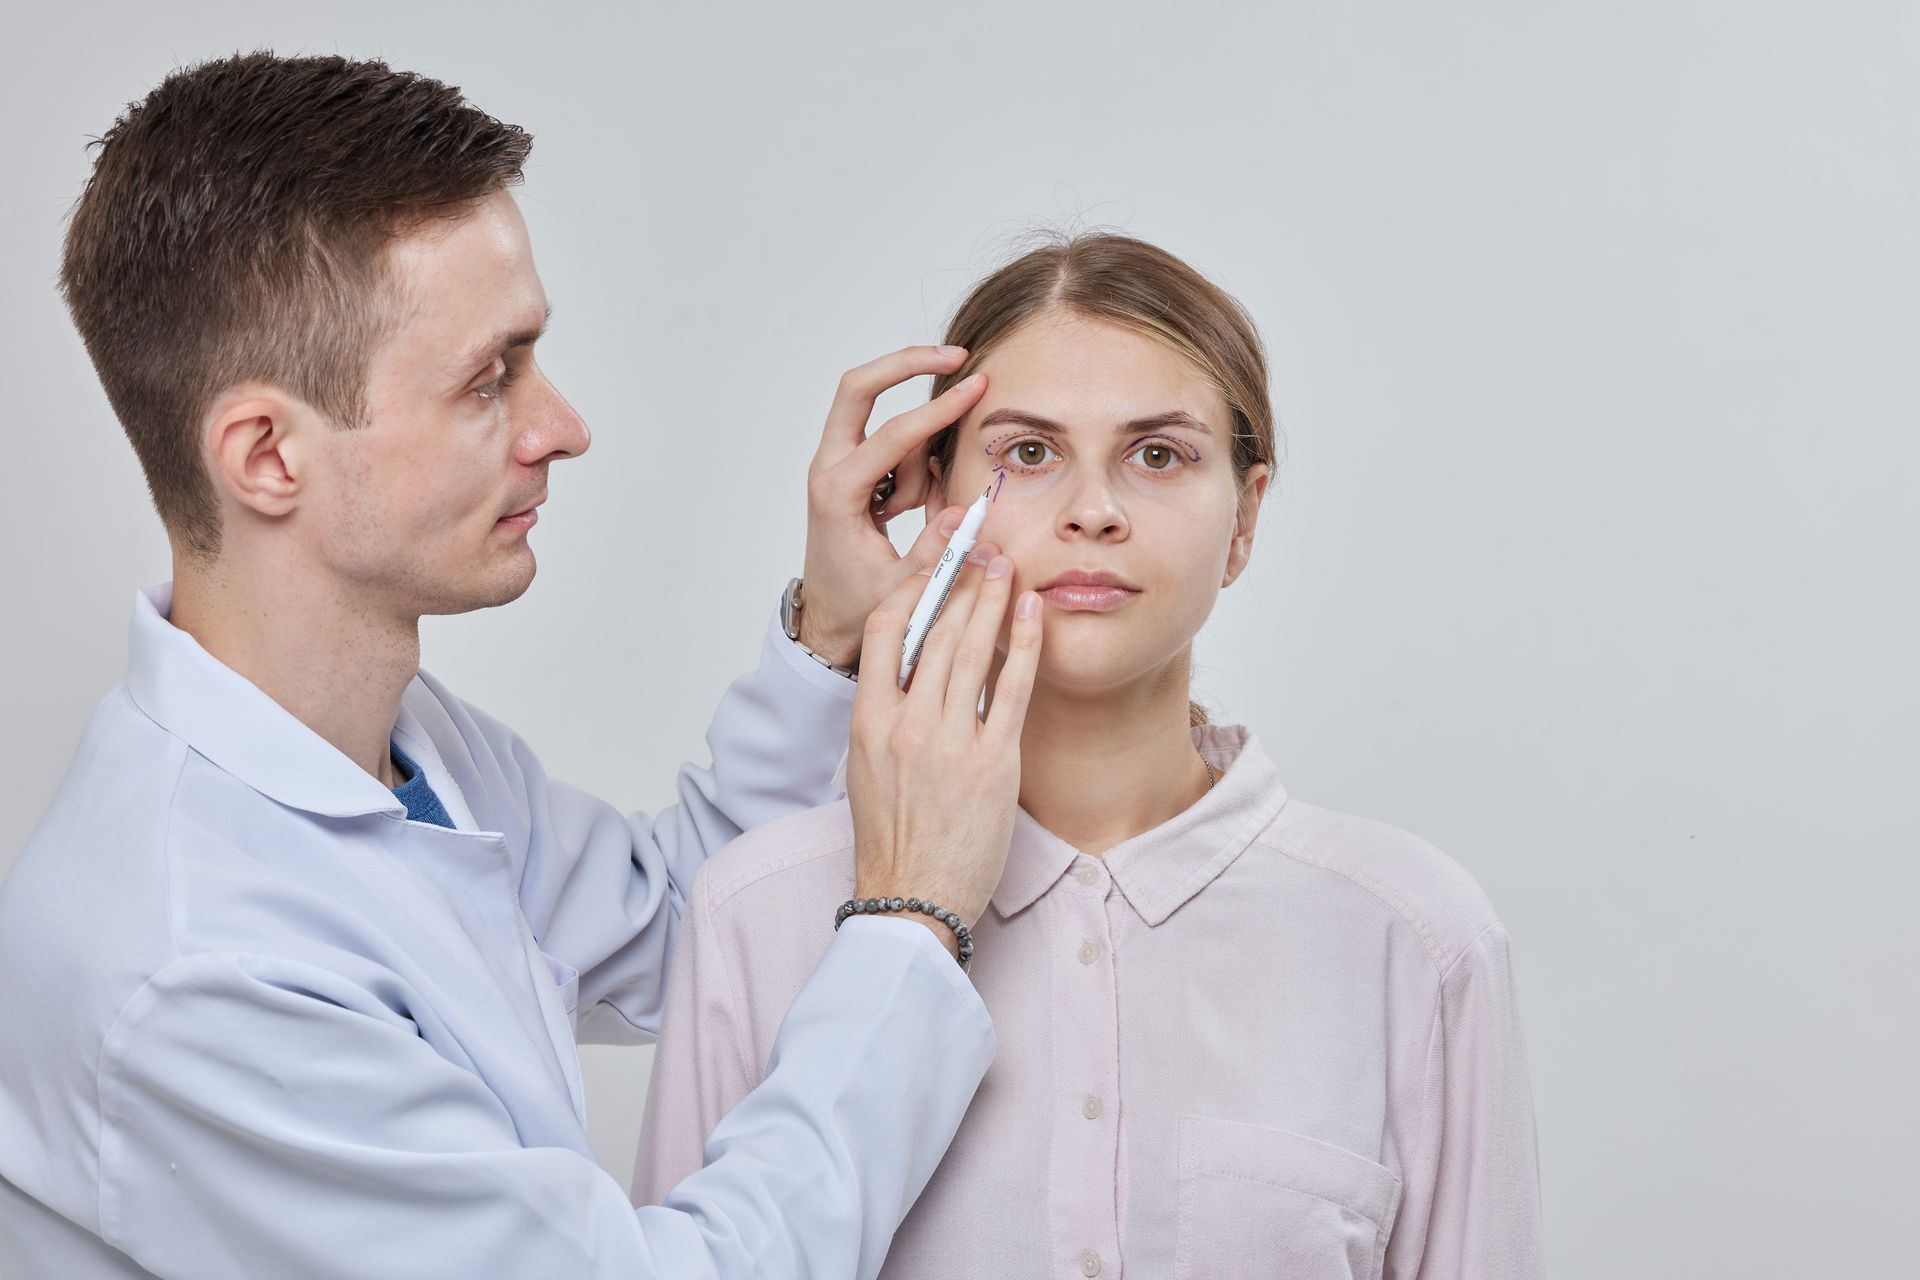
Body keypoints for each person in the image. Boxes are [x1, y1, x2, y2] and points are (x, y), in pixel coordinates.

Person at [0, 52, 1049, 1279]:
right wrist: (913, 919)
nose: (563, 426)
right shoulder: (192, 972)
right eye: (490, 377)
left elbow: (674, 921)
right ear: (268, 455)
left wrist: (829, 630)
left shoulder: (399, 747)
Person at [633, 233, 1548, 1278]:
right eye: (1027, 452)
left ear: (1245, 517)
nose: (1094, 508)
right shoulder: (755, 910)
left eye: (1158, 454)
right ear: (935, 495)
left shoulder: (1418, 937)